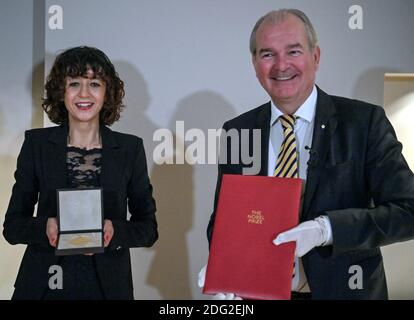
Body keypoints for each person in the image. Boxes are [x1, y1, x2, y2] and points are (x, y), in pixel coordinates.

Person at [199, 9, 414, 299]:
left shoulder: (364, 122)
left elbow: (408, 211)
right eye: (267, 54)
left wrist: (326, 229)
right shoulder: (238, 130)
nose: (281, 65)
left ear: (316, 56)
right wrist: (224, 268)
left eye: (294, 51)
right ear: (254, 63)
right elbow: (224, 220)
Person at [3, 46, 158, 300]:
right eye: (74, 83)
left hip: (108, 288)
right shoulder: (36, 144)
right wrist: (46, 227)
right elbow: (12, 226)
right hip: (43, 286)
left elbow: (148, 228)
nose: (84, 94)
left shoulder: (130, 149)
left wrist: (113, 231)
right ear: (60, 91)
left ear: (107, 92)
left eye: (94, 83)